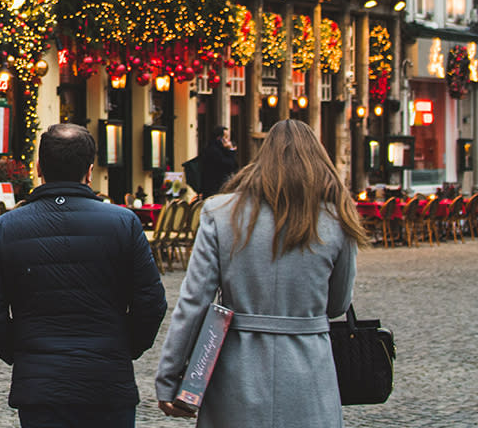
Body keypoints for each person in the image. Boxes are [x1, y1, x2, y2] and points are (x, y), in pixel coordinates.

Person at [155, 119, 365, 426]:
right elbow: (337, 305)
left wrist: (170, 377)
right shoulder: (338, 219)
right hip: (308, 370)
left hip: (237, 368)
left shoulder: (221, 213)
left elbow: (193, 302)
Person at [0, 123, 167, 427]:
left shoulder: (5, 228)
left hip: (40, 384)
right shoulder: (124, 223)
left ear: (38, 168)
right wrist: (123, 347)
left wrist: (22, 352)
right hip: (107, 381)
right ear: (90, 172)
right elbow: (151, 302)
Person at [199, 126, 238, 196]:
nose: (228, 140)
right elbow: (230, 165)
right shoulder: (214, 151)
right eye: (225, 137)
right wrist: (231, 150)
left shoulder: (215, 149)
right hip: (215, 188)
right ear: (219, 138)